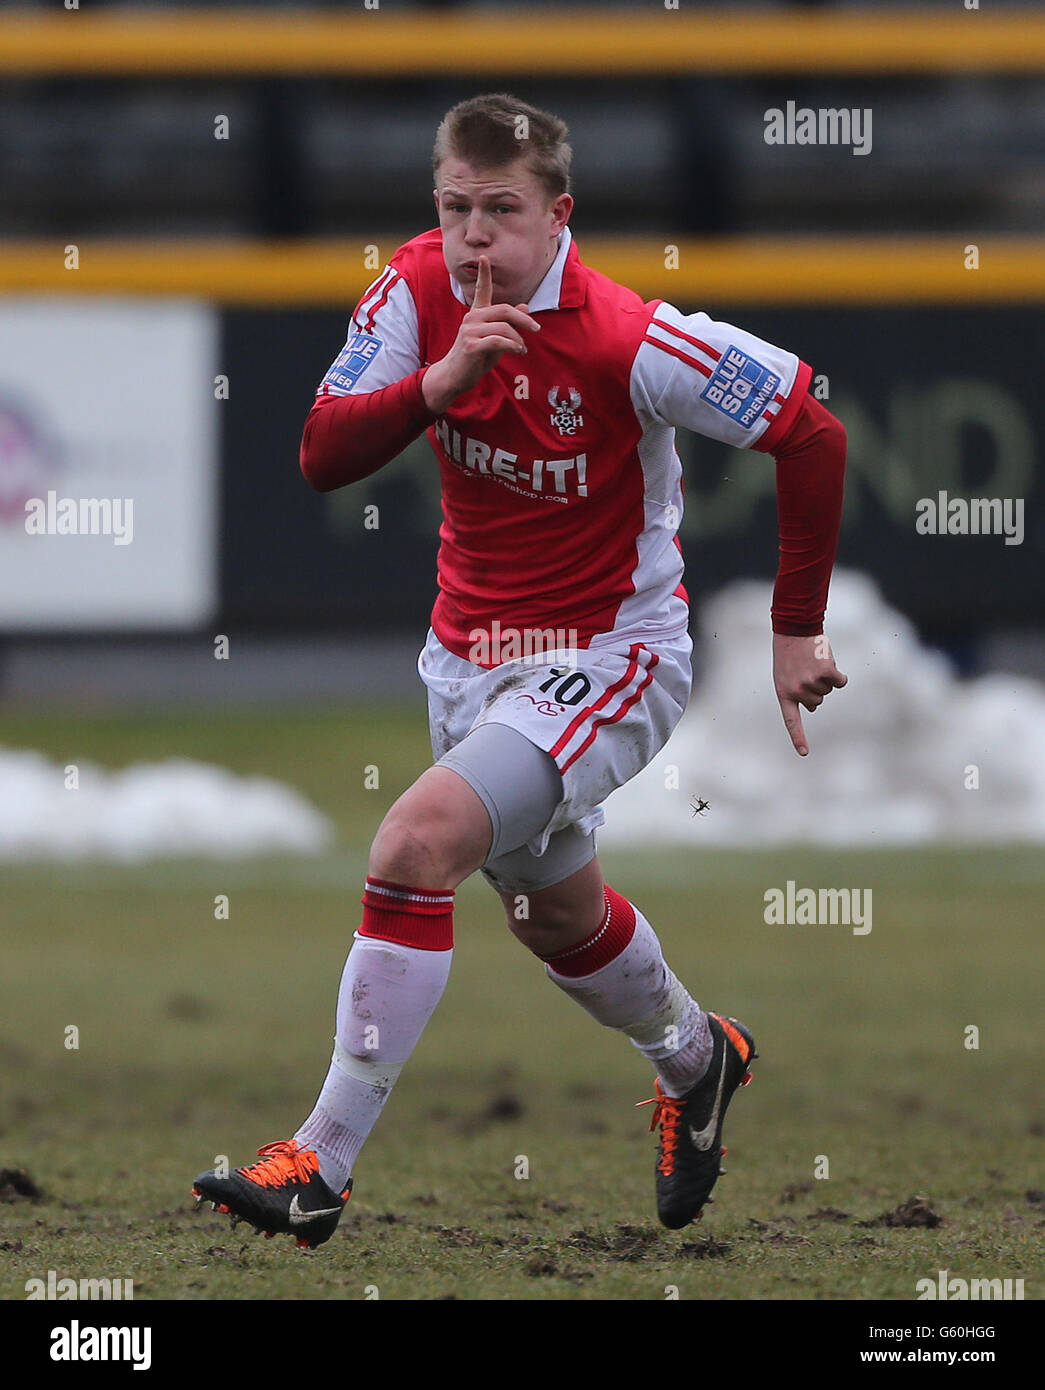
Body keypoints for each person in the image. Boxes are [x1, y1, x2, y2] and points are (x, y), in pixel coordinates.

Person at [193, 93, 847, 1249]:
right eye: (455, 208)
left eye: (501, 210)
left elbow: (811, 428)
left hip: (609, 658)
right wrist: (434, 387)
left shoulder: (626, 336)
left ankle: (319, 1162)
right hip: (467, 665)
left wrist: (795, 627)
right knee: (556, 919)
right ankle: (697, 1057)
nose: (473, 236)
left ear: (559, 215)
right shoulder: (414, 290)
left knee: (412, 843)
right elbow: (318, 451)